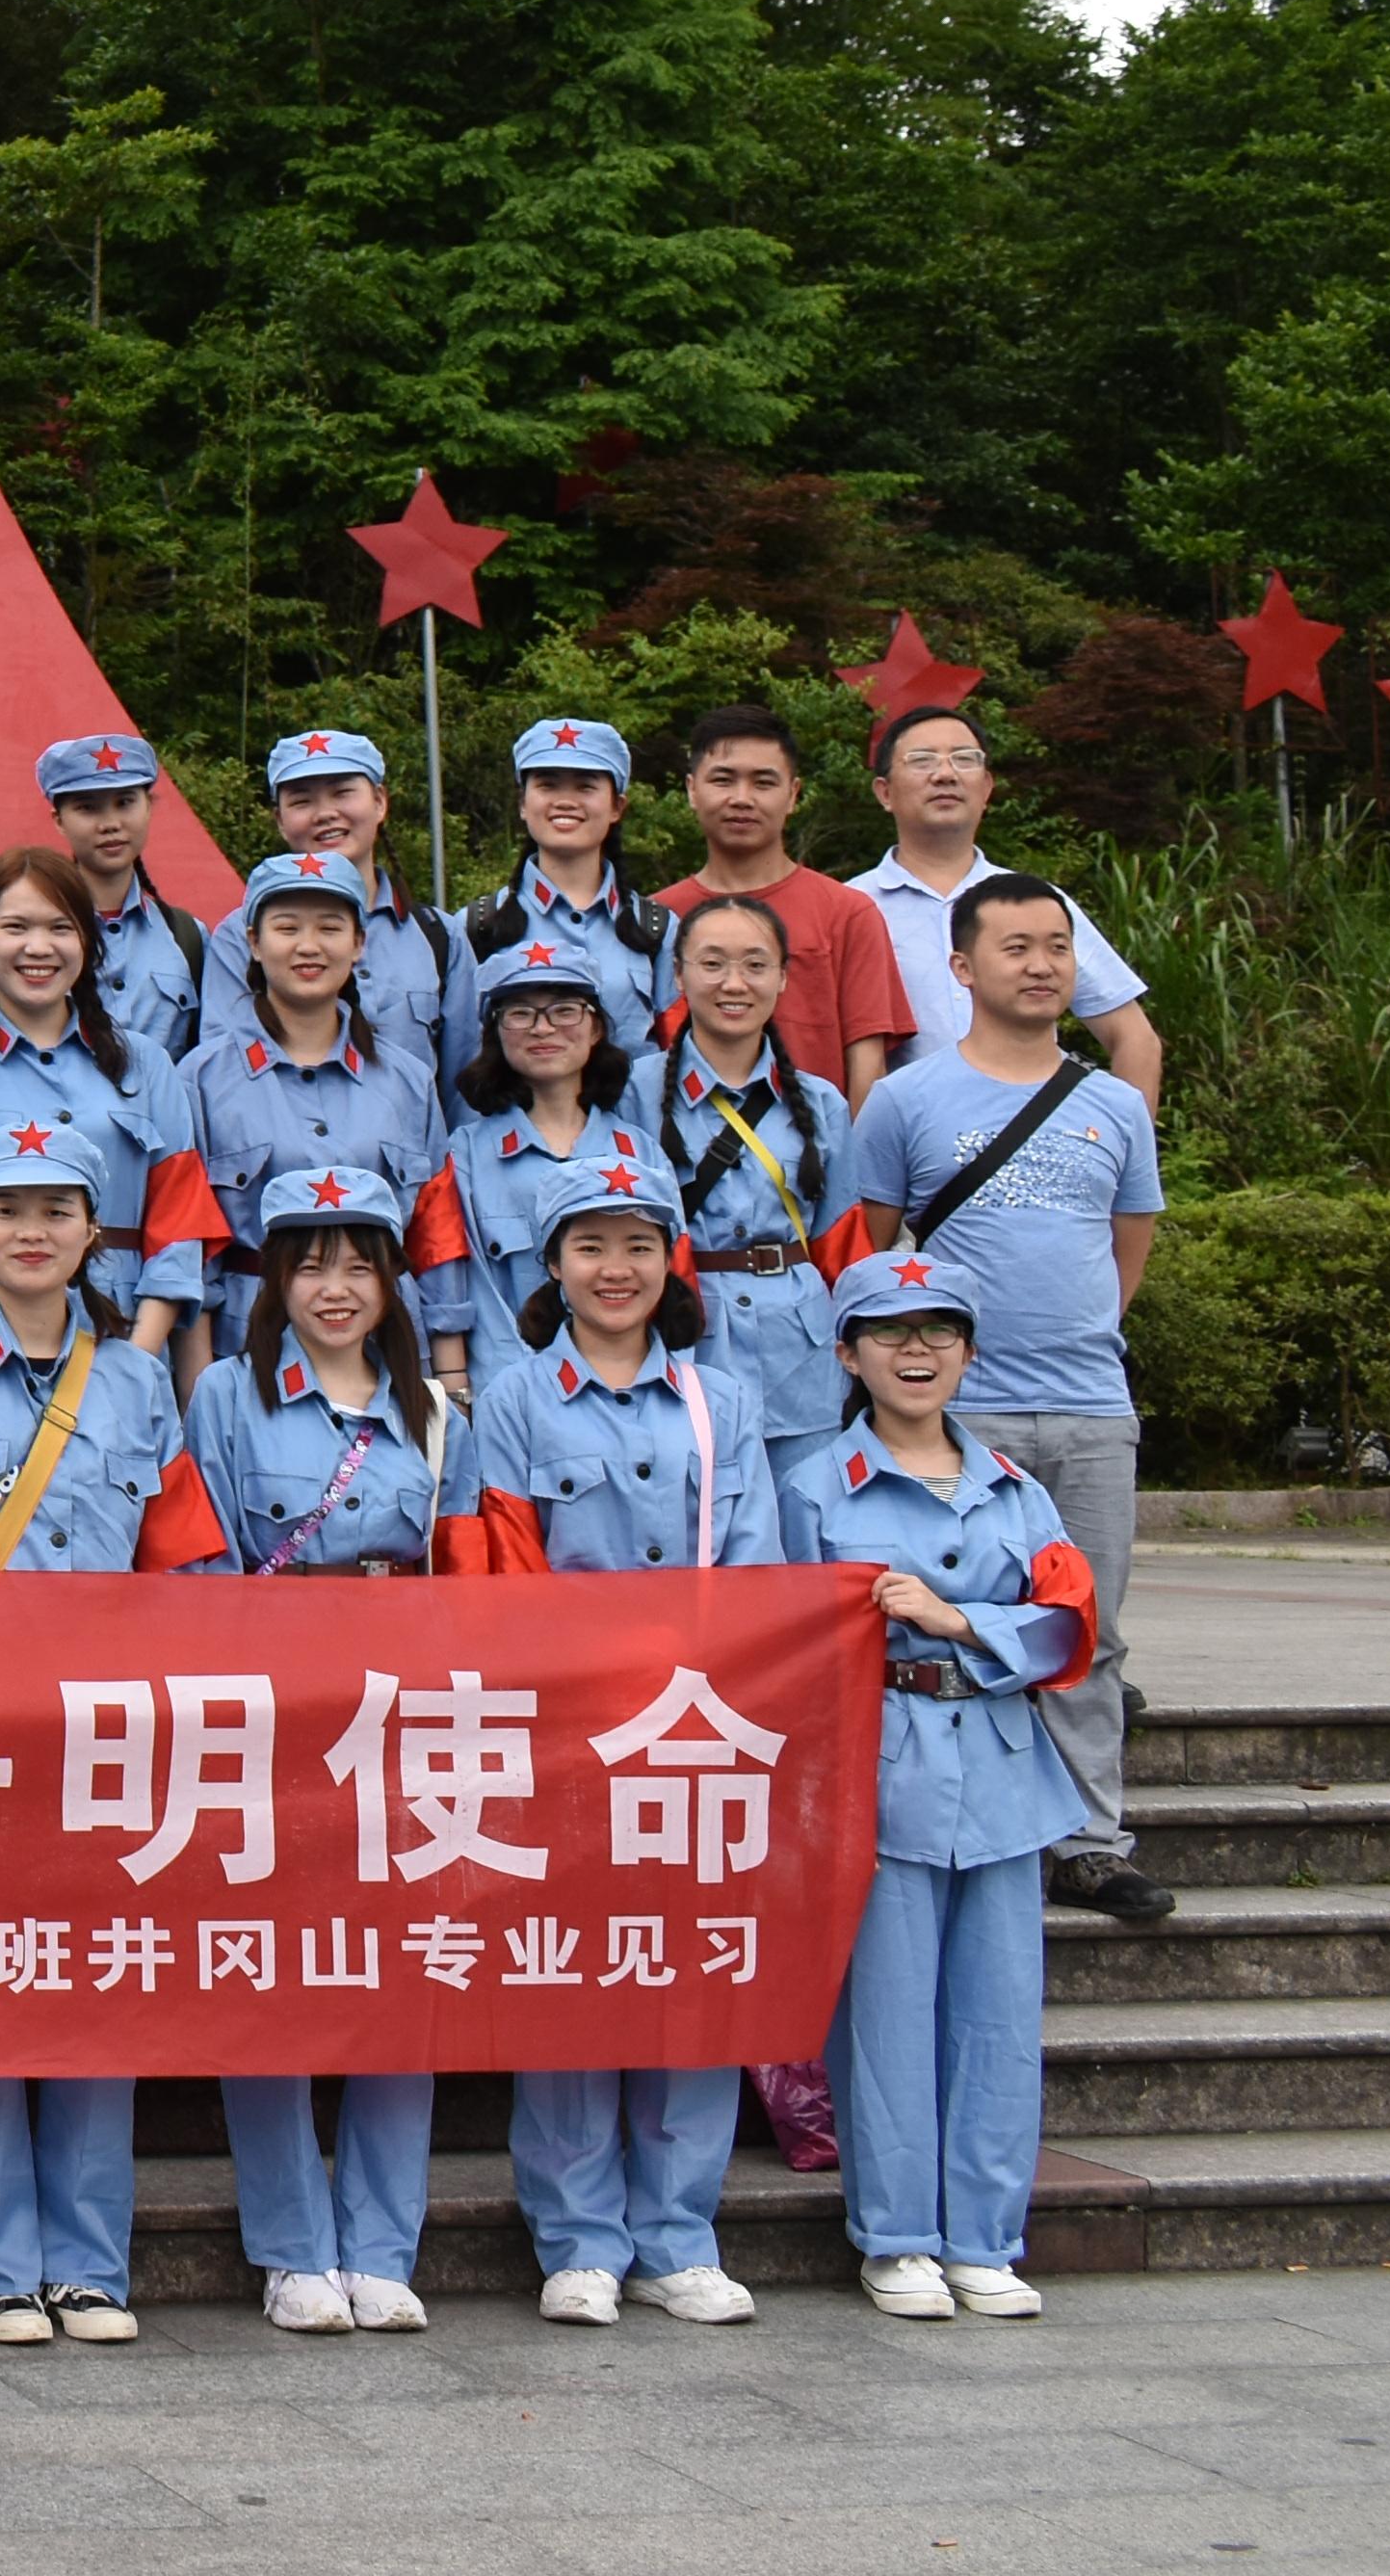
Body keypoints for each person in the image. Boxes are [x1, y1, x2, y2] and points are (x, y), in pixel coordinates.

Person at [0, 1129, 223, 2344]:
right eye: (7, 1209)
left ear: (91, 1232)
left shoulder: (133, 1382)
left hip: (103, 1730)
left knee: (92, 1981)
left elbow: (181, 1553)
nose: (31, 1231)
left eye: (57, 1211)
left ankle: (87, 2259)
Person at [443, 1141, 776, 2326]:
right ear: (552, 1265)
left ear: (671, 1259)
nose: (615, 1267)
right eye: (589, 1245)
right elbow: (504, 1570)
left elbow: (759, 1569)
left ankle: (680, 2234)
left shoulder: (724, 1401)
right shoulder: (515, 1399)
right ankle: (578, 2236)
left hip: (697, 1732)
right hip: (569, 1733)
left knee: (689, 1976)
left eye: (638, 1244)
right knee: (570, 1974)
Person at [850, 871, 1172, 1923]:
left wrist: (1079, 1336)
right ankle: (964, 1834)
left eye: (1056, 948)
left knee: (1087, 1628)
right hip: (955, 1418)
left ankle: (1091, 1843)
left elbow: (1127, 1247)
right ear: (961, 966)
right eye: (1016, 947)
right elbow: (873, 1254)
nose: (1041, 967)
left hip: (1089, 1407)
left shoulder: (1113, 1104)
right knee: (950, 1629)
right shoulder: (906, 1101)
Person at [183, 1167, 451, 2336]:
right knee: (270, 1977)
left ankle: (384, 2246)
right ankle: (293, 2246)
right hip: (274, 1720)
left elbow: (469, 1575)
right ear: (274, 1279)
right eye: (309, 1262)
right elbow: (204, 1563)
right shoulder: (227, 1395)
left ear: (392, 1279)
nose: (335, 1287)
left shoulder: (434, 1411)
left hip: (405, 1721)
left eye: (358, 1263)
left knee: (403, 1976)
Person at [807, 1263, 1093, 2323]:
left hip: (1007, 1772)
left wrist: (958, 1618)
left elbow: (1070, 1625)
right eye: (889, 1332)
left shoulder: (1020, 1490)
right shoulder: (813, 1487)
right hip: (877, 1769)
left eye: (938, 1330)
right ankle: (897, 2239)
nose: (915, 1350)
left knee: (998, 2018)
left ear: (969, 1352)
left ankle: (985, 2237)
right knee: (886, 2019)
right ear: (849, 1354)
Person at [142, 860, 455, 1378]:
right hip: (251, 1347)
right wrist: (197, 1394)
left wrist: (452, 1380)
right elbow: (192, 1249)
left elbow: (437, 1234)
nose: (309, 946)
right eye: (287, 928)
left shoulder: (409, 1080)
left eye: (330, 928)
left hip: (387, 1348)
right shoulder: (199, 1081)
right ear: (254, 942)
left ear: (358, 943)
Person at [655, 892, 867, 1539]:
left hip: (800, 1354)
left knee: (806, 1534)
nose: (734, 983)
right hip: (685, 1340)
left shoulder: (822, 1103)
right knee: (694, 1534)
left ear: (782, 977)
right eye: (712, 963)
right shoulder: (633, 1093)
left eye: (754, 964)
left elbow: (843, 1246)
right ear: (679, 974)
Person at [0, 847, 197, 1366]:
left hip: (127, 1335)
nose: (38, 947)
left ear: (87, 939)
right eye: (16, 927)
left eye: (60, 928)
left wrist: (136, 1360)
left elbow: (179, 1222)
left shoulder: (148, 1065)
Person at [847, 703, 1167, 1099]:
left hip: (1031, 1129)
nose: (945, 774)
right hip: (907, 1133)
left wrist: (1125, 1136)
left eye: (964, 759)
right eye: (922, 760)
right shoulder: (850, 906)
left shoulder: (1036, 903)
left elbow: (1134, 1038)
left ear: (986, 789)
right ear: (885, 792)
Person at [413, 938, 647, 1358]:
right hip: (503, 1383)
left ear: (596, 1028)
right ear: (496, 1033)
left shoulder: (640, 1154)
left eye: (565, 1010)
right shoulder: (463, 1157)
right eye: (520, 1013)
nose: (543, 1028)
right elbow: (454, 1280)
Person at [190, 728, 456, 1080]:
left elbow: (466, 1080)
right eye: (302, 801)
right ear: (280, 820)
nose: (325, 813)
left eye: (342, 793)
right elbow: (222, 1075)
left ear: (379, 801)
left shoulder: (439, 935)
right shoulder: (238, 936)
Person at [661, 705, 897, 1099]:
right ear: (692, 790)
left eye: (763, 782)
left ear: (793, 794)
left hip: (813, 1134)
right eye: (723, 780)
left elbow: (867, 1064)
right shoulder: (655, 917)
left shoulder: (848, 913)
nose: (742, 798)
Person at [448, 718, 673, 1083]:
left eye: (586, 786)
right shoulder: (476, 926)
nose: (565, 801)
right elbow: (463, 1055)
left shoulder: (658, 928)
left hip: (635, 1118)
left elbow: (675, 1048)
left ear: (617, 806)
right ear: (523, 803)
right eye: (548, 785)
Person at [32, 733, 205, 1063]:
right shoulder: (31, 937)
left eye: (125, 802)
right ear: (59, 821)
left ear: (149, 807)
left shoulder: (188, 937)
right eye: (87, 808)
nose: (110, 824)